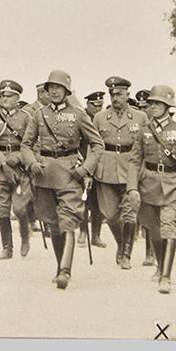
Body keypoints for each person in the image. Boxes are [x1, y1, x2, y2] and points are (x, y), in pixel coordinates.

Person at [21, 70, 104, 290]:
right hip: (44, 174)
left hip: (69, 173)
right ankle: (60, 267)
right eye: (51, 88)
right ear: (46, 91)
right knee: (53, 224)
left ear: (67, 91)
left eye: (59, 88)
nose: (55, 91)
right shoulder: (39, 115)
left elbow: (97, 145)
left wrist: (85, 169)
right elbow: (26, 145)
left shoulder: (78, 114)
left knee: (68, 221)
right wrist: (31, 164)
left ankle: (65, 271)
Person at [127, 85, 176, 294]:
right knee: (153, 229)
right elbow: (134, 161)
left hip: (173, 183)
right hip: (148, 184)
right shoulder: (143, 131)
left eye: (157, 103)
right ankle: (160, 266)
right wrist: (132, 188)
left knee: (168, 227)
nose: (152, 107)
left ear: (167, 106)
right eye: (151, 103)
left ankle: (166, 277)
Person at [91, 76, 149, 270]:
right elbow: (94, 145)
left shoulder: (140, 117)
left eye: (119, 94)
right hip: (106, 168)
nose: (115, 98)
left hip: (131, 166)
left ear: (127, 95)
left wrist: (144, 168)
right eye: (112, 94)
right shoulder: (99, 118)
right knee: (110, 214)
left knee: (130, 212)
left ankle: (126, 254)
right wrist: (89, 170)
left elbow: (146, 146)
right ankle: (121, 242)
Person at [0, 79, 34, 260]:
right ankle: (7, 247)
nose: (4, 98)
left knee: (20, 208)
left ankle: (25, 234)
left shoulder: (26, 117)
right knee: (2, 207)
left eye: (9, 95)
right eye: (2, 95)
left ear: (17, 98)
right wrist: (3, 163)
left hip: (20, 167)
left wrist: (17, 158)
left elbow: (31, 144)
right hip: (0, 167)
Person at [79, 90, 107, 247]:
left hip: (101, 165)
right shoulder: (82, 118)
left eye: (100, 106)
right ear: (88, 105)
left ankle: (96, 235)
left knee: (98, 202)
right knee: (83, 199)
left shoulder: (103, 120)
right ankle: (83, 231)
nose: (98, 109)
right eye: (95, 105)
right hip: (83, 163)